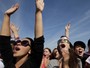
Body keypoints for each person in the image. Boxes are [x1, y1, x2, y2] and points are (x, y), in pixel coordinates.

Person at [0, 0, 44, 68]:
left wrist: (38, 12)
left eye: (24, 43)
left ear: (30, 51)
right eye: (17, 42)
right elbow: (4, 42)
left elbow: (39, 41)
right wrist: (7, 15)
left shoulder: (32, 64)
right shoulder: (9, 62)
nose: (18, 43)